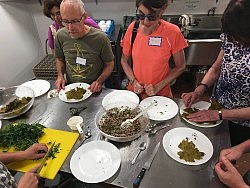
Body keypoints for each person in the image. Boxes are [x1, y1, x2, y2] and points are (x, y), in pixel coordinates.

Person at [181, 0, 250, 146]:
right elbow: (216, 68)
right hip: (217, 106)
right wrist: (200, 89)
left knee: (227, 153)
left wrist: (220, 114)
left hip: (241, 123)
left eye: (237, 37)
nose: (233, 40)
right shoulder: (230, 37)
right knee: (207, 145)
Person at [120, 0, 187, 100]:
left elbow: (180, 66)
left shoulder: (172, 32)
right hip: (135, 94)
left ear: (162, 11)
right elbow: (124, 61)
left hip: (160, 95)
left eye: (152, 17)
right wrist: (133, 82)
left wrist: (157, 87)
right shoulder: (133, 29)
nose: (145, 22)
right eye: (141, 15)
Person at [54, 0, 114, 93]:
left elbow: (110, 64)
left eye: (75, 21)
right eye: (65, 21)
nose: (70, 28)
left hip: (93, 89)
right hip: (70, 87)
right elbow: (59, 59)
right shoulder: (60, 36)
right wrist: (60, 76)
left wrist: (99, 81)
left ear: (84, 17)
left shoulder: (100, 38)